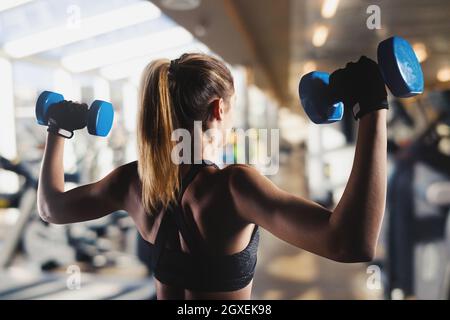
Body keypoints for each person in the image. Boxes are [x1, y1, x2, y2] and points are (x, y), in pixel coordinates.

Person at [37, 53, 388, 300]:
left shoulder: (133, 181)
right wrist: (372, 108)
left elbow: (52, 208)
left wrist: (58, 129)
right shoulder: (235, 187)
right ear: (219, 108)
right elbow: (350, 243)